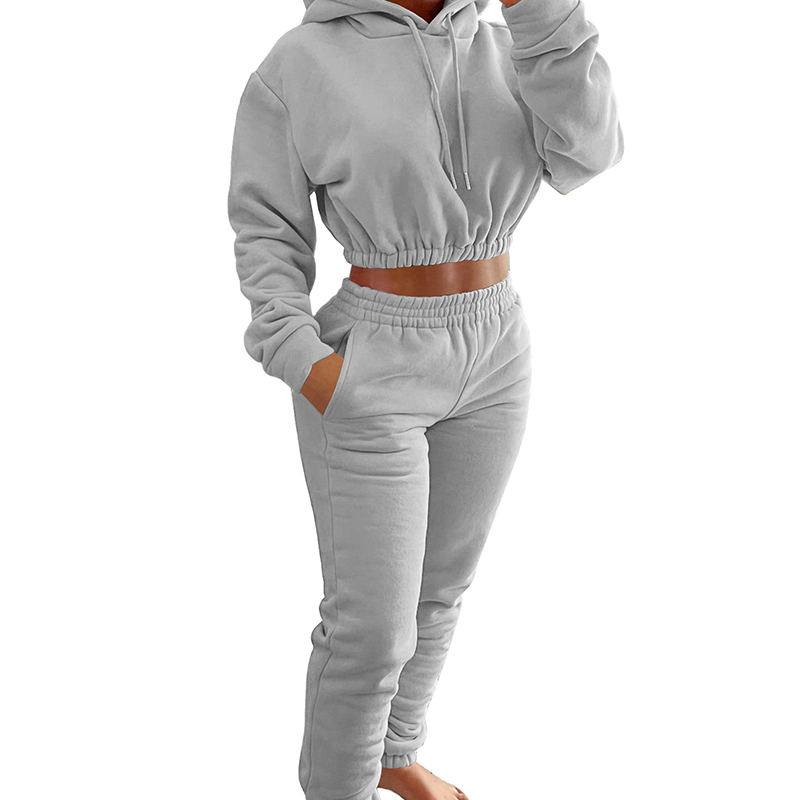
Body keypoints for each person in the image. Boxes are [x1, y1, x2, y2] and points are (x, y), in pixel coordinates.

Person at [227, 0, 624, 797]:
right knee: (371, 629)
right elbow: (266, 228)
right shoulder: (300, 63)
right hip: (373, 357)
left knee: (438, 594)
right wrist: (304, 360)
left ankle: (394, 752)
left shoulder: (512, 44)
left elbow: (590, 153)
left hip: (496, 341)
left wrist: (540, 14)